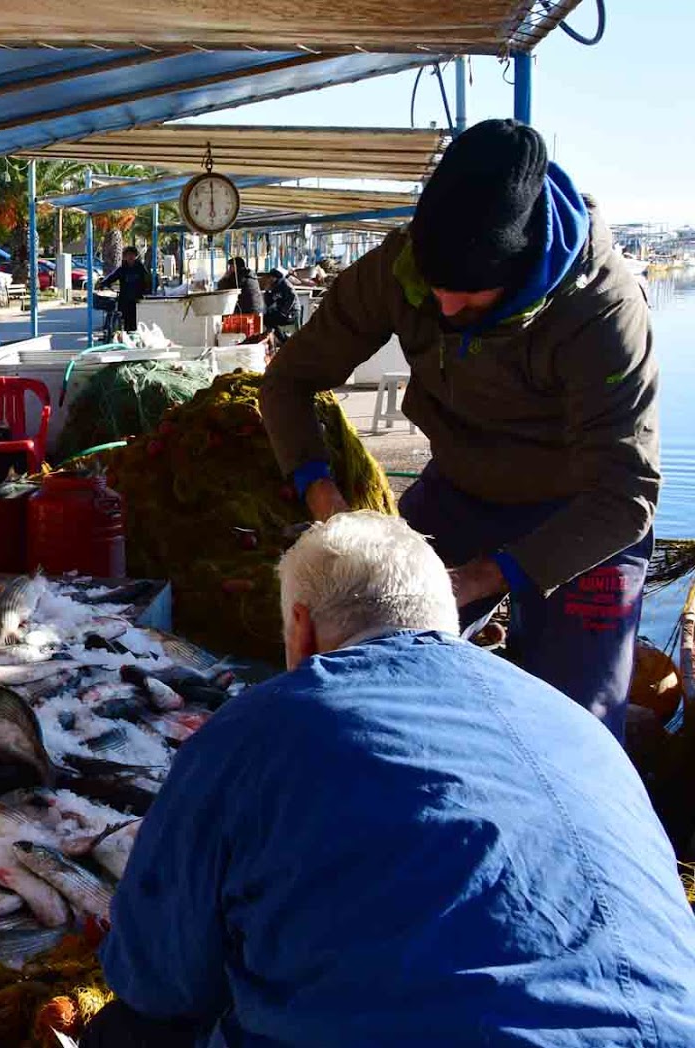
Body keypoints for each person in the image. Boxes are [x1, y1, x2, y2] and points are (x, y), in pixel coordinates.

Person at [85, 512, 695, 1048]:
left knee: (125, 1037)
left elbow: (157, 979)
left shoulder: (254, 729)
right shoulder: (577, 725)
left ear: (300, 628)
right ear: (446, 618)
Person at [260, 118, 657, 740]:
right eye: (435, 288)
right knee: (367, 656)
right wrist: (321, 493)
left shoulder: (603, 310)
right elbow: (287, 382)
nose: (445, 308)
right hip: (463, 489)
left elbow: (626, 494)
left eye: (470, 296)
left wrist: (479, 577)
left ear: (520, 268)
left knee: (580, 728)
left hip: (586, 515)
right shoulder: (400, 268)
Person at [97, 245, 152, 332]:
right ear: (125, 256)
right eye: (128, 255)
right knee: (124, 324)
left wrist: (147, 292)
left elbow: (148, 281)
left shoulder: (140, 268)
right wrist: (103, 284)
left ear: (135, 256)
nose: (130, 257)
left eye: (132, 255)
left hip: (137, 300)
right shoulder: (123, 268)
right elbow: (112, 277)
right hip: (124, 300)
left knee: (136, 323)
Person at [258, 268, 299, 340]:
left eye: (270, 277)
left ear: (274, 277)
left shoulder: (285, 285)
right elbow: (270, 302)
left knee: (270, 320)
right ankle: (275, 337)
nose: (268, 279)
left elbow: (292, 298)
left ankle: (283, 339)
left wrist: (283, 311)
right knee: (266, 318)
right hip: (282, 311)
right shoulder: (274, 286)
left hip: (292, 312)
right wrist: (267, 292)